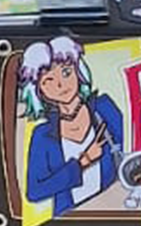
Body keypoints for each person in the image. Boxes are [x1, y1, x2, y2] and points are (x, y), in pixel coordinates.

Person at [21, 37, 123, 216]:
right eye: (48, 80)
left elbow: (134, 148)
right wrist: (82, 163)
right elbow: (34, 191)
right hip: (69, 218)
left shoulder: (104, 108)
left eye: (66, 72)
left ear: (78, 72)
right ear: (39, 92)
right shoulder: (42, 135)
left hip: (114, 209)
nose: (60, 84)